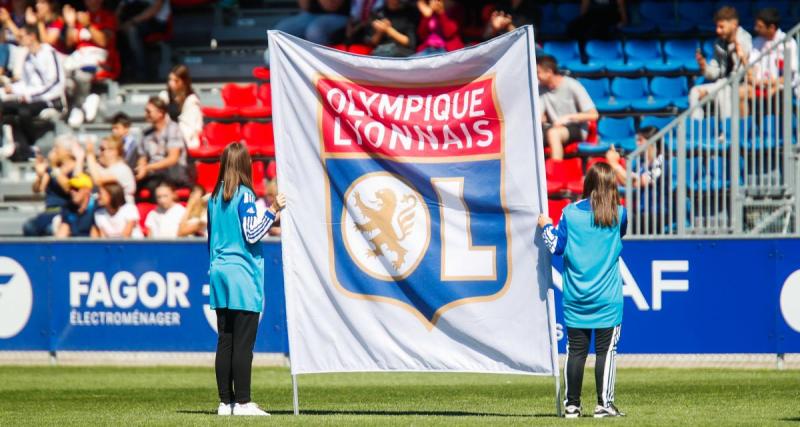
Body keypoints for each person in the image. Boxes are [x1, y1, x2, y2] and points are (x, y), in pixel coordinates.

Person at [537, 162, 627, 419]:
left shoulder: (569, 213)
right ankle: (604, 405)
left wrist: (545, 225)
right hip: (608, 298)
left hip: (576, 296)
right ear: (612, 186)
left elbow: (555, 246)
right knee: (606, 351)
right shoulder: (619, 214)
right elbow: (621, 235)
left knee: (576, 351)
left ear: (587, 184)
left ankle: (572, 406)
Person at [208, 142, 285, 416]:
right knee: (242, 342)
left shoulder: (213, 198)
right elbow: (252, 234)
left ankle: (224, 402)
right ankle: (243, 402)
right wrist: (273, 209)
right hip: (241, 273)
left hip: (218, 270)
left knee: (225, 340)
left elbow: (210, 238)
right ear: (245, 165)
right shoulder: (246, 196)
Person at [0, 24, 65, 161]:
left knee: (23, 112)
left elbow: (55, 82)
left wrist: (30, 96)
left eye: (22, 36)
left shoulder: (49, 53)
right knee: (5, 107)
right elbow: (26, 83)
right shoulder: (27, 57)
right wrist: (12, 89)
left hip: (50, 99)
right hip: (32, 99)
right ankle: (17, 146)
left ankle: (30, 143)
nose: (19, 39)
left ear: (32, 36)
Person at [689, 6, 752, 120]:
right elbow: (715, 72)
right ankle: (697, 129)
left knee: (723, 90)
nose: (717, 30)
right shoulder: (719, 43)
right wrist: (704, 67)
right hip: (723, 83)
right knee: (695, 92)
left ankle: (727, 131)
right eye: (717, 27)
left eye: (721, 27)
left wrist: (738, 52)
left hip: (741, 84)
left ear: (734, 24)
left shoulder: (745, 39)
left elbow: (741, 73)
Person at [63, 0, 117, 127]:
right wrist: (71, 24)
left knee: (82, 74)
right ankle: (83, 103)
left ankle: (80, 106)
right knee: (63, 76)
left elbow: (103, 41)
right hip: (80, 54)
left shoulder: (107, 16)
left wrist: (88, 25)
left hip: (100, 56)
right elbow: (70, 43)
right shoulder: (80, 16)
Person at [537, 55, 598, 161]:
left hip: (576, 128)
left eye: (538, 72)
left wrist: (568, 118)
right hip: (553, 126)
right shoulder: (540, 88)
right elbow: (539, 115)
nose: (536, 76)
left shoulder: (572, 85)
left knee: (553, 134)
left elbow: (594, 115)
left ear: (549, 72)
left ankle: (556, 171)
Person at [739, 8, 799, 115]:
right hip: (760, 85)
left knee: (776, 94)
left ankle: (778, 130)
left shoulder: (788, 42)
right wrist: (744, 61)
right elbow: (753, 69)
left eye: (760, 26)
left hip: (782, 86)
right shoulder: (756, 42)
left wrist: (773, 84)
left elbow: (789, 76)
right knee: (740, 92)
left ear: (771, 27)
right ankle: (744, 129)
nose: (756, 29)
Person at [22, 135, 79, 236]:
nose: (54, 151)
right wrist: (40, 176)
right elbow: (38, 189)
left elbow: (67, 188)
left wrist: (53, 167)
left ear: (67, 151)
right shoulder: (53, 168)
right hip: (48, 211)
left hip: (63, 212)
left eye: (57, 148)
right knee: (28, 227)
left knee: (50, 230)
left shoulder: (74, 167)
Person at [136, 96, 190, 197]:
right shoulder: (146, 133)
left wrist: (147, 167)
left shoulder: (173, 129)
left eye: (148, 111)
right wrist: (141, 169)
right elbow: (142, 156)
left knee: (153, 187)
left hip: (172, 176)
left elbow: (173, 158)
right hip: (152, 175)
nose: (145, 115)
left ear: (160, 113)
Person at [116, 0, 170, 80]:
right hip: (134, 20)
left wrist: (131, 22)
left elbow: (155, 9)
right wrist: (115, 24)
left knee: (132, 31)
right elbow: (120, 9)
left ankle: (141, 73)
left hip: (157, 21)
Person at [159, 64, 202, 149]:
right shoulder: (164, 96)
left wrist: (173, 133)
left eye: (176, 80)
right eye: (170, 80)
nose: (171, 83)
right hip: (165, 137)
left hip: (184, 141)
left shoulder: (191, 100)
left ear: (184, 81)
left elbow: (191, 127)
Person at [85, 136, 136, 204]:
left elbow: (98, 180)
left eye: (102, 149)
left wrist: (90, 154)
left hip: (122, 211)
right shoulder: (101, 167)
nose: (99, 152)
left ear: (114, 151)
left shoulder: (122, 169)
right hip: (103, 211)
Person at [273, 0, 349, 46]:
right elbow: (305, 7)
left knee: (315, 31)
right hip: (312, 15)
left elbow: (331, 6)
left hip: (341, 15)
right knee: (282, 29)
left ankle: (319, 64)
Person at [55, 172, 98, 237]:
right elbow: (63, 231)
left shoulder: (97, 209)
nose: (72, 191)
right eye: (71, 188)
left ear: (87, 190)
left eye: (76, 189)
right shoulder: (67, 208)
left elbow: (96, 237)